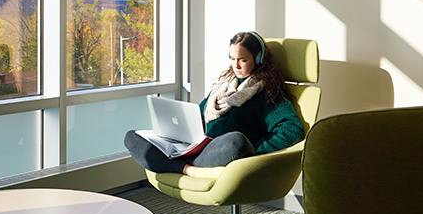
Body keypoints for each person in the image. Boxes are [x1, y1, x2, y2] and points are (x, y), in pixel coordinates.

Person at [124, 31, 305, 177]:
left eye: (243, 60)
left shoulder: (267, 92)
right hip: (197, 147)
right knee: (132, 137)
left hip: (220, 152)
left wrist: (254, 152)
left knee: (236, 141)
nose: (237, 66)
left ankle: (176, 165)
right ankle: (188, 169)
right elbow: (199, 114)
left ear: (258, 60)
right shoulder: (224, 85)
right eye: (232, 59)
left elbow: (292, 130)